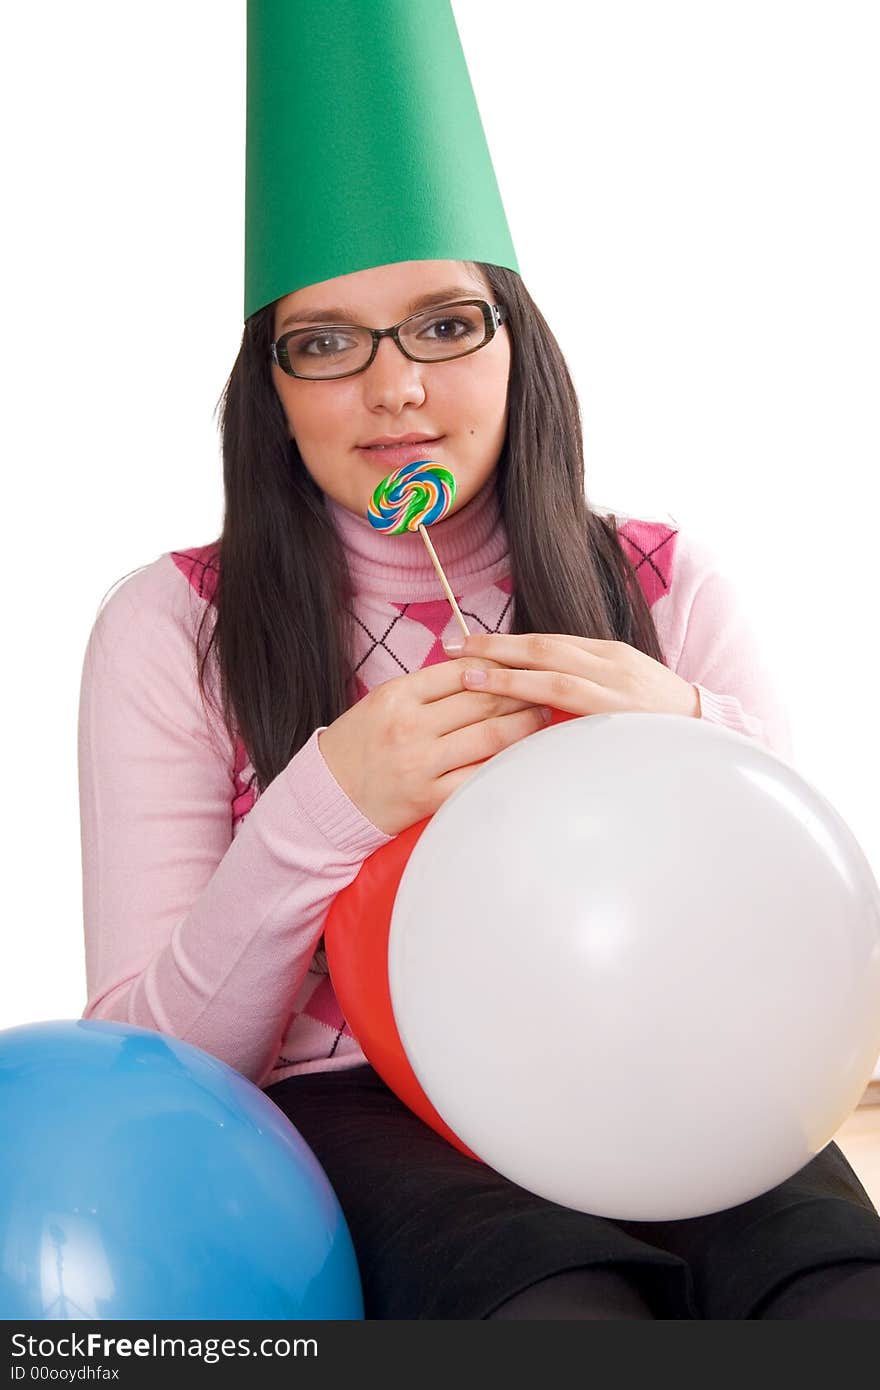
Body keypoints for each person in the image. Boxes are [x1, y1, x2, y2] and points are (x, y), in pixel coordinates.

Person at [77, 3, 880, 1319]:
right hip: (353, 1106)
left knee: (839, 1290)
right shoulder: (176, 628)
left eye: (445, 324)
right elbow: (149, 1069)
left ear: (518, 341)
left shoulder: (668, 581)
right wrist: (330, 800)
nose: (394, 388)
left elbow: (805, 950)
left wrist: (684, 728)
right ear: (270, 387)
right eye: (327, 342)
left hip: (660, 1060)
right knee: (561, 1309)